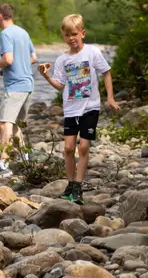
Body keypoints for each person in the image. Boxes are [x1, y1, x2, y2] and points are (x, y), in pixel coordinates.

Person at [37, 14, 118, 204]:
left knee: (83, 147)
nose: (71, 38)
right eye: (67, 35)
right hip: (71, 109)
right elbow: (60, 85)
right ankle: (70, 184)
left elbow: (106, 72)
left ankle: (79, 187)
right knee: (67, 148)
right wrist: (47, 77)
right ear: (63, 36)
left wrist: (111, 97)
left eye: (74, 34)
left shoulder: (92, 52)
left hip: (90, 107)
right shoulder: (62, 60)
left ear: (82, 33)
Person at [0, 4, 37, 175]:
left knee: (5, 123)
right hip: (28, 84)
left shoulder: (5, 34)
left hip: (15, 86)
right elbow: (33, 58)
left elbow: (8, 59)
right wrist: (5, 70)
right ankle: (25, 158)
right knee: (14, 125)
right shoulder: (23, 32)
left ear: (0, 16)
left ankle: (3, 163)